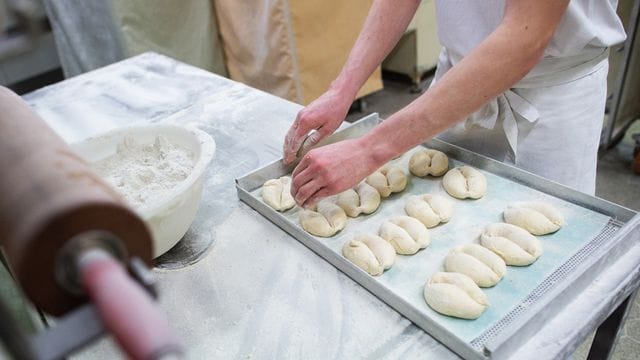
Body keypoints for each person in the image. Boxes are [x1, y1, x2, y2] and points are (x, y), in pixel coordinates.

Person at [283, 0, 626, 208]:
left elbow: (526, 38)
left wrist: (369, 150)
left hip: (550, 101)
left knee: (547, 267)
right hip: (455, 89)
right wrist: (343, 88)